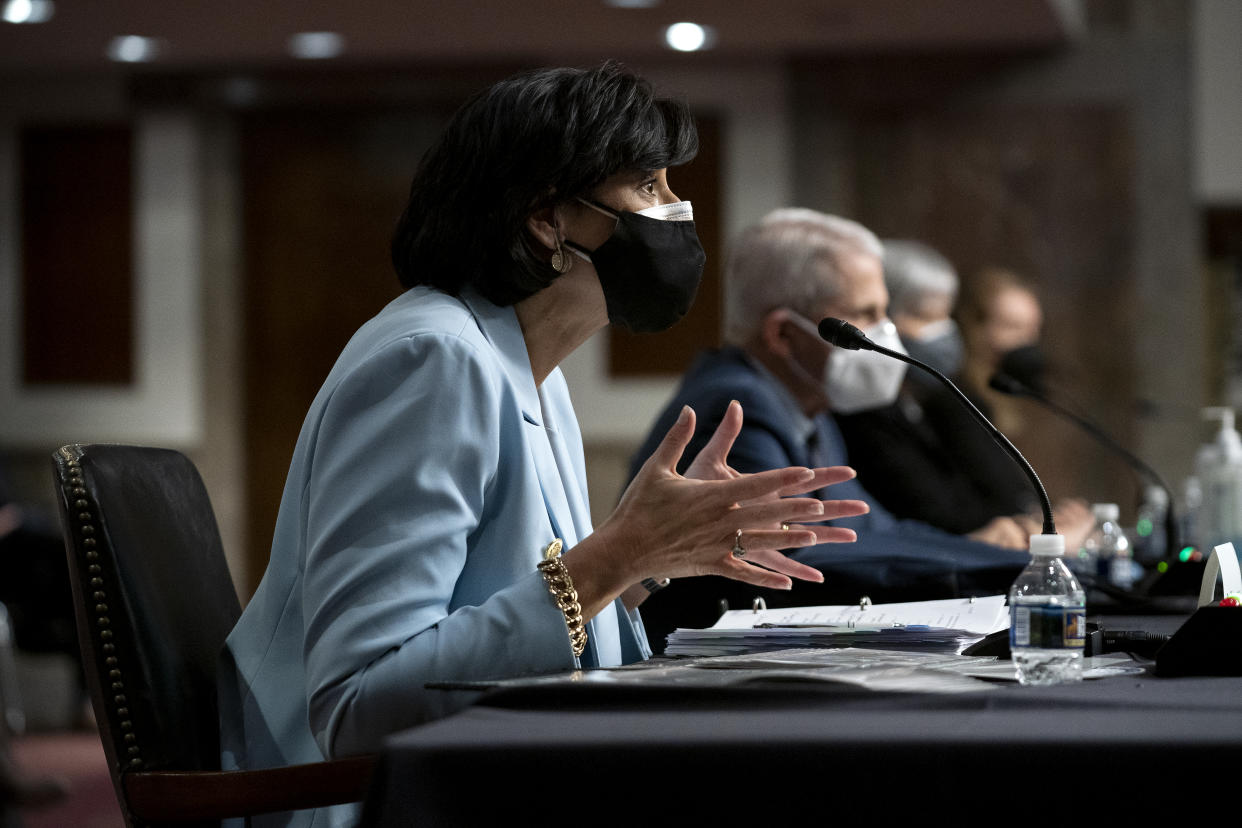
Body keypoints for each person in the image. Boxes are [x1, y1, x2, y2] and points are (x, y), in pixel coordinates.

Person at [219, 65, 867, 828]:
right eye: (649, 186)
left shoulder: (528, 364)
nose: (679, 211)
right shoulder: (433, 357)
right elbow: (360, 708)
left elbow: (501, 604)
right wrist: (615, 557)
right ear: (546, 220)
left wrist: (649, 564)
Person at [628, 210, 1086, 652]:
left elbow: (872, 529)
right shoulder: (735, 411)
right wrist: (1016, 565)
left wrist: (985, 546)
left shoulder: (809, 403)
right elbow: (799, 563)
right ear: (784, 335)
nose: (887, 334)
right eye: (865, 315)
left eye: (886, 312)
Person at [836, 241, 1090, 535]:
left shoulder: (917, 404)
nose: (944, 332)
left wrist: (1032, 524)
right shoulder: (869, 410)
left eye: (944, 316)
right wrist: (1021, 533)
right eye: (926, 316)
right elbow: (934, 514)